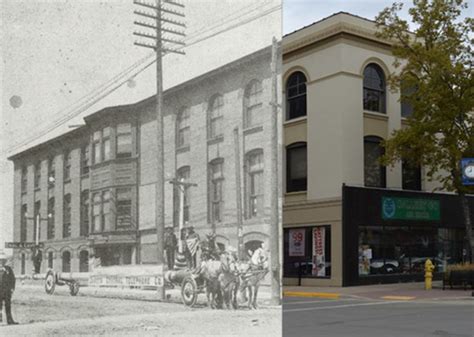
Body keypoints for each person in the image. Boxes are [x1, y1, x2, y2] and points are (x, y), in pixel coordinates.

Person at [0, 250, 18, 325]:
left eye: (3, 260)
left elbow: (13, 279)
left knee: (8, 305)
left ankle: (9, 320)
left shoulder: (8, 269)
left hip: (7, 291)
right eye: (1, 260)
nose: (2, 262)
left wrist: (12, 288)